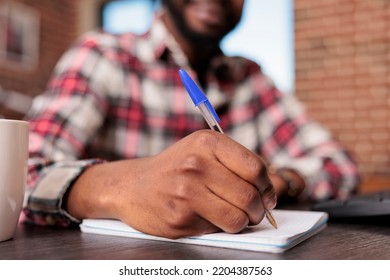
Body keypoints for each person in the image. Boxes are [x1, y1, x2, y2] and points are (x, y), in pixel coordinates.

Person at [24, 0, 359, 239]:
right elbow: (20, 174)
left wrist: (277, 182)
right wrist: (122, 187)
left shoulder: (250, 80)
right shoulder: (103, 56)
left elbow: (339, 165)